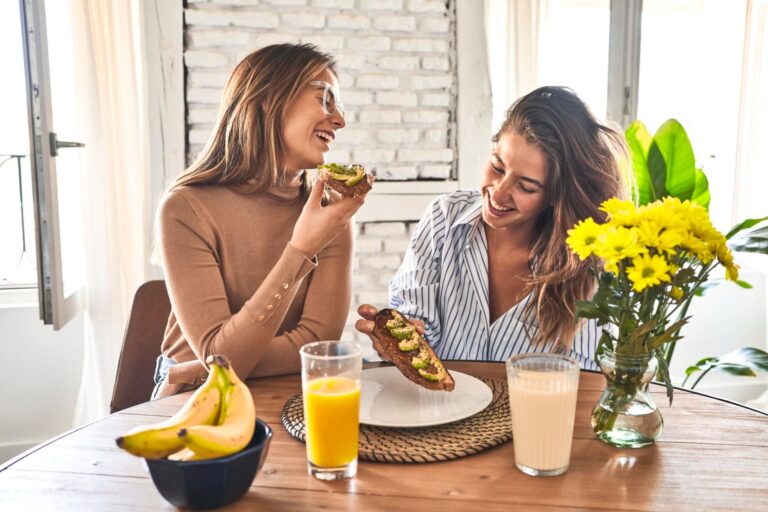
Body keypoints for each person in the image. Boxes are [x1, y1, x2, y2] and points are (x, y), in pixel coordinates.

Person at [356, 86, 626, 369]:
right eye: (497, 167)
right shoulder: (443, 219)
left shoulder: (587, 266)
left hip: (532, 414)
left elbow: (585, 379)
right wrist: (399, 341)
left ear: (556, 196)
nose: (498, 194)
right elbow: (418, 329)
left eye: (525, 186)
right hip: (442, 410)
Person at [153, 43, 367, 399]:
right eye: (325, 99)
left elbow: (318, 342)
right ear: (268, 97)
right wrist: (301, 249)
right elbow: (224, 361)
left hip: (274, 389)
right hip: (190, 395)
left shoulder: (331, 212)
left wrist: (221, 361)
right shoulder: (184, 208)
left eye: (340, 108)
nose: (340, 121)